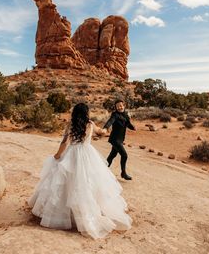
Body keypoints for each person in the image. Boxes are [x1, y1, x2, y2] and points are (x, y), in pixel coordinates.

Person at [28, 103, 132, 239]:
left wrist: (57, 155)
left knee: (66, 183)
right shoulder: (90, 124)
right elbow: (101, 132)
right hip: (87, 154)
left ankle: (64, 215)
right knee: (88, 183)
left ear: (75, 113)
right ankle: (88, 213)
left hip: (71, 154)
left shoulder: (71, 124)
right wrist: (107, 128)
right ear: (86, 113)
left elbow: (65, 142)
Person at [103, 99, 136, 180]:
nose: (119, 107)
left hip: (120, 139)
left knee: (112, 155)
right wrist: (105, 128)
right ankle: (123, 173)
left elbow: (127, 123)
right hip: (115, 139)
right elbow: (110, 121)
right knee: (124, 155)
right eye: (117, 106)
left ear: (123, 105)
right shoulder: (115, 115)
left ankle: (102, 170)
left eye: (121, 106)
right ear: (116, 108)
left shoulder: (125, 114)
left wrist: (133, 127)